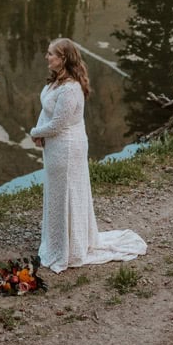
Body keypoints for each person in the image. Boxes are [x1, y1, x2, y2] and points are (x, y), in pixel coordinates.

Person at [30, 37, 147, 274]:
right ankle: (57, 240)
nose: (47, 57)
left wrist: (35, 132)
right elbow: (47, 113)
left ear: (63, 59)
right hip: (54, 147)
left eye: (51, 53)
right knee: (57, 194)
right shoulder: (55, 83)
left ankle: (70, 247)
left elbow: (59, 124)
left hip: (67, 147)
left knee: (68, 193)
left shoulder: (71, 88)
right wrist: (41, 132)